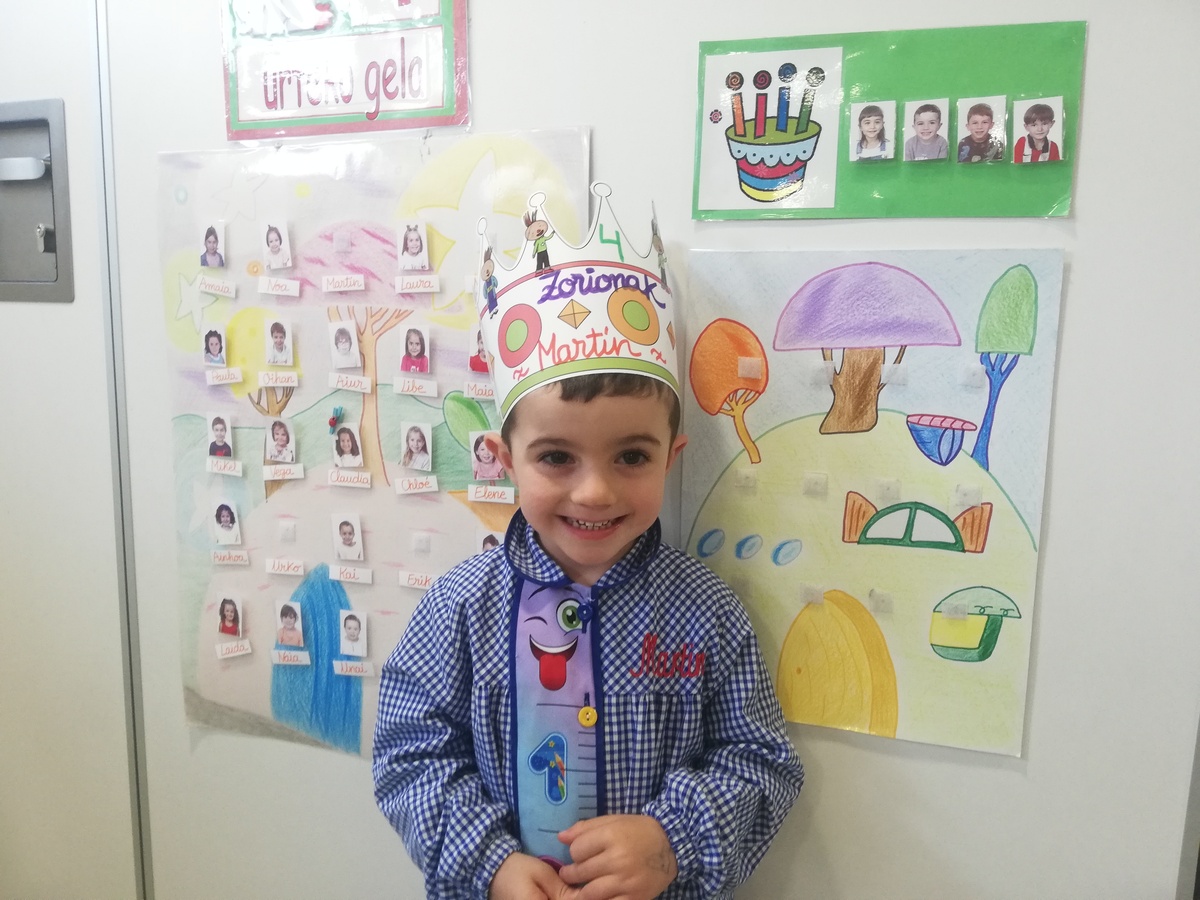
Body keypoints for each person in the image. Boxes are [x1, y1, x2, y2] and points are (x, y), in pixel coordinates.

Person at [374, 198, 800, 897]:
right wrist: (490, 863)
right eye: (555, 457)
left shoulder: (708, 612)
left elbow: (762, 761)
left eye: (631, 456)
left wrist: (670, 842)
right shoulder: (459, 608)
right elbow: (407, 756)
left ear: (671, 458)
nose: (595, 492)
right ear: (504, 461)